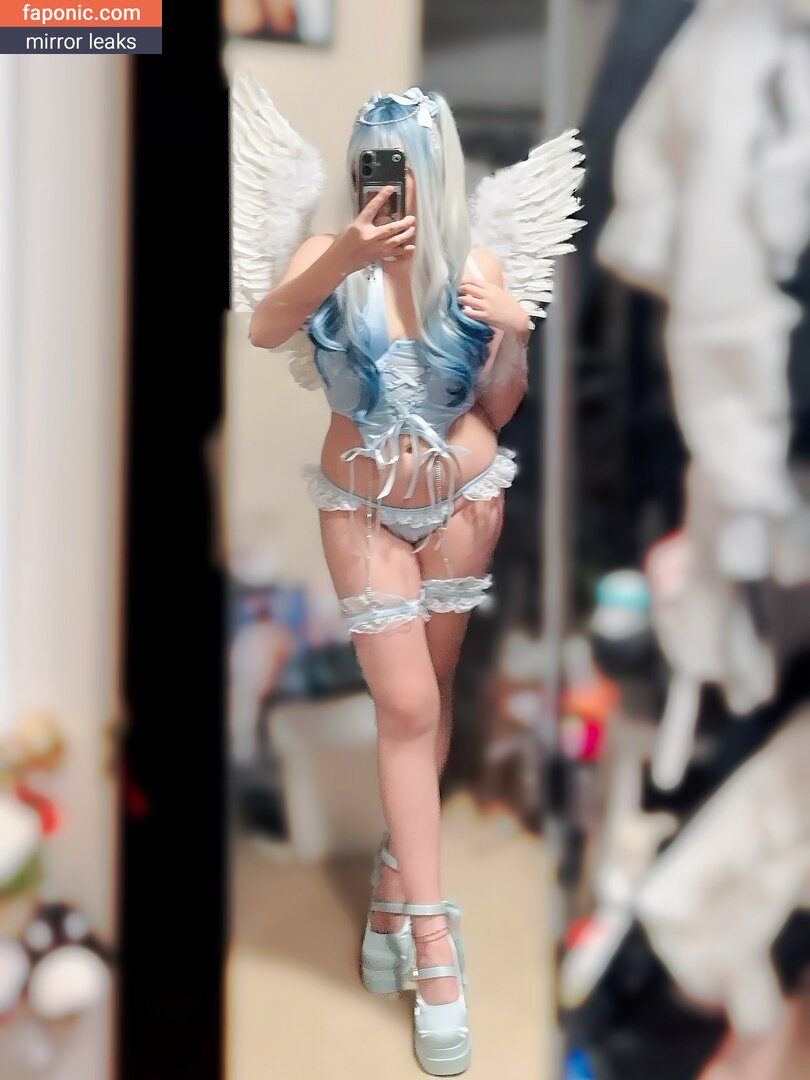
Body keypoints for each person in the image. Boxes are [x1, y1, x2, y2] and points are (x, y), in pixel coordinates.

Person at [248, 86, 532, 1075]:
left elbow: (500, 405)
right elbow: (264, 328)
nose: (388, 178)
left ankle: (389, 888)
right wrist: (346, 256)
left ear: (437, 168)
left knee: (433, 696)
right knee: (407, 705)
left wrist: (515, 333)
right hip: (362, 510)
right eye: (372, 157)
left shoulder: (477, 269)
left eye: (405, 160)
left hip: (464, 507)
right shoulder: (324, 258)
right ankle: (434, 944)